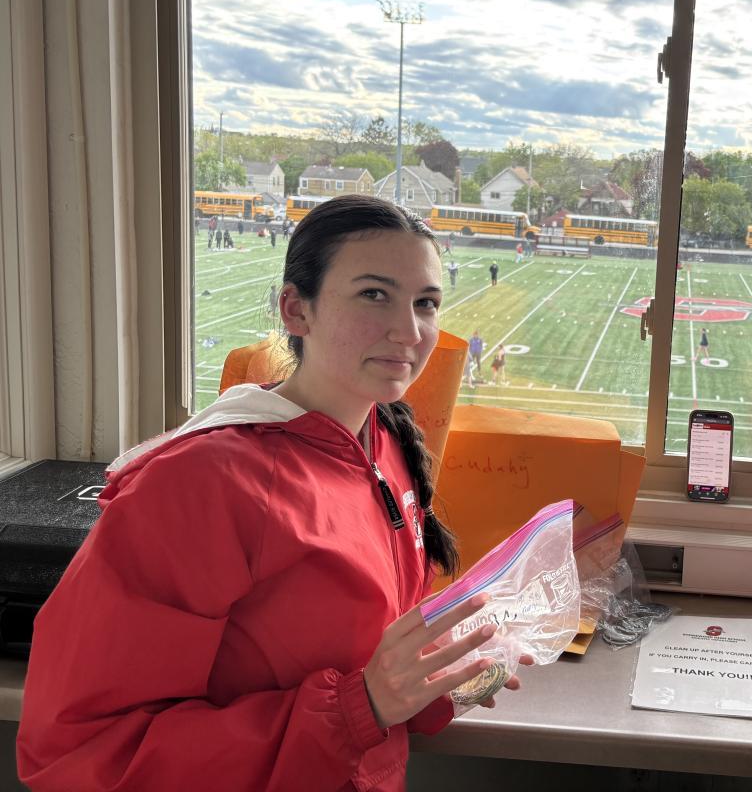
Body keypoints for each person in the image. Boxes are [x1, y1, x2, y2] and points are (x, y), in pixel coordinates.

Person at [18, 194, 527, 791]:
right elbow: (79, 754)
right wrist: (359, 708)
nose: (408, 331)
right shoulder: (200, 484)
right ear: (295, 310)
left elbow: (363, 653)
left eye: (426, 303)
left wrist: (436, 677)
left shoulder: (384, 442)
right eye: (373, 294)